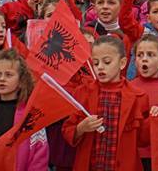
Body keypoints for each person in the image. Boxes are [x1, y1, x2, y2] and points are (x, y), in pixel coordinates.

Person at [63, 35, 152, 171]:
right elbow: (67, 130)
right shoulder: (83, 92)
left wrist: (154, 117)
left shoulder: (138, 96)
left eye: (107, 62)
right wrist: (81, 128)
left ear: (122, 63)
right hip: (91, 165)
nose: (100, 67)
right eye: (96, 63)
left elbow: (143, 140)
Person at [0, 49, 49, 171]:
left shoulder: (31, 114)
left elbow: (39, 156)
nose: (2, 79)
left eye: (8, 75)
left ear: (21, 81)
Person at [128, 35, 158, 170]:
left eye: (151, 55)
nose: (144, 59)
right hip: (134, 155)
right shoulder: (128, 88)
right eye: (140, 55)